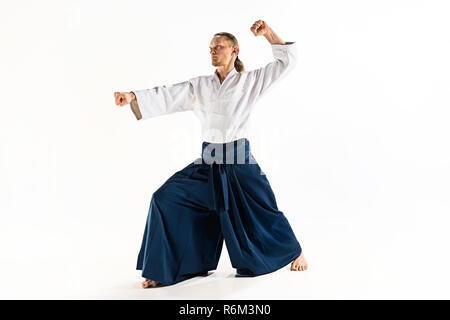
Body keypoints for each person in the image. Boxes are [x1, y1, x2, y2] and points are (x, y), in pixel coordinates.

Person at [114, 20, 308, 288]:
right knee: (164, 198)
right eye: (210, 48)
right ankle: (164, 269)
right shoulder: (201, 85)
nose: (213, 51)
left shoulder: (250, 80)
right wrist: (133, 97)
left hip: (239, 160)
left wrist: (268, 34)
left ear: (234, 51)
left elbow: (286, 63)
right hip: (208, 163)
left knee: (263, 209)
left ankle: (295, 251)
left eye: (219, 46)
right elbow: (169, 94)